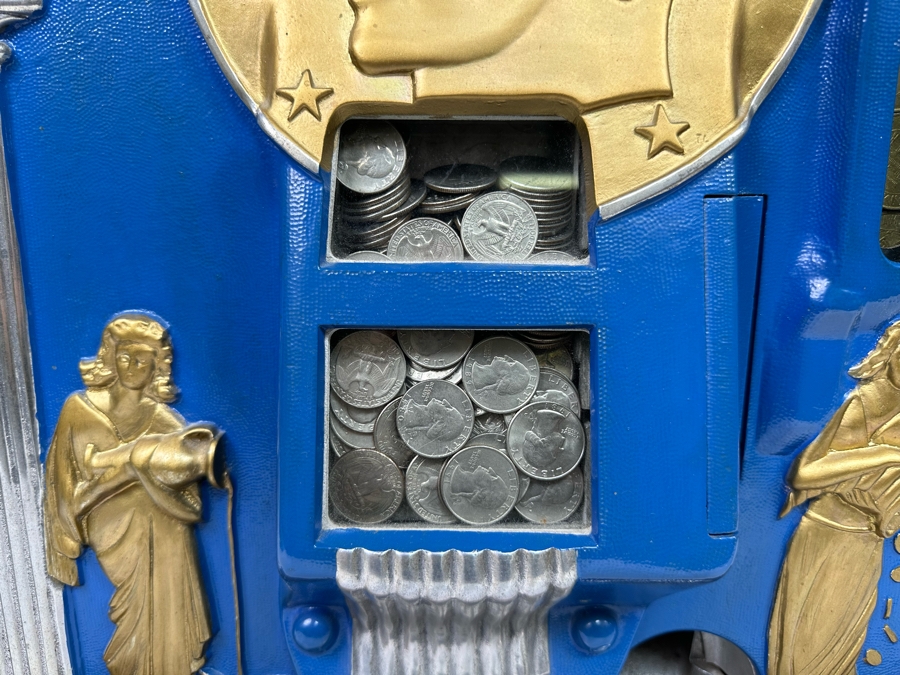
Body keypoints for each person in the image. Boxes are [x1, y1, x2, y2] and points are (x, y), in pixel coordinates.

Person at [43, 314, 222, 675]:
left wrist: (134, 471)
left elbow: (191, 506)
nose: (132, 366)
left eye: (142, 359)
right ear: (110, 358)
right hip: (105, 522)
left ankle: (168, 662)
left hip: (156, 524)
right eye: (124, 357)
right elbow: (62, 481)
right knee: (144, 506)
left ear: (157, 366)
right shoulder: (79, 410)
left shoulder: (166, 422)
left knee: (162, 520)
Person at [769, 319, 900, 675]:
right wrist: (886, 454)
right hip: (831, 532)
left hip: (869, 542)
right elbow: (804, 473)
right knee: (810, 656)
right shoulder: (868, 401)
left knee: (844, 651)